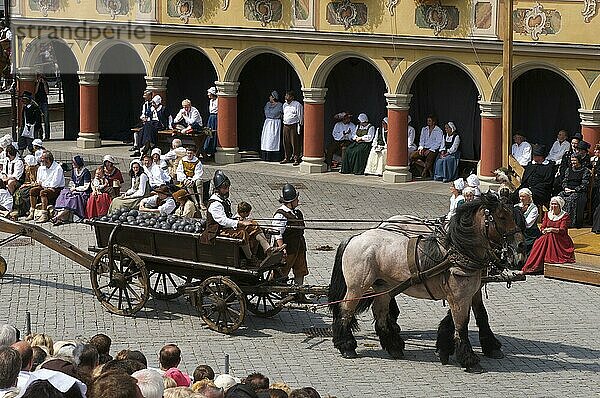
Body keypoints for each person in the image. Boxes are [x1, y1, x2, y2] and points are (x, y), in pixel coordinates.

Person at [200, 170, 279, 261]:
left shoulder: (223, 200)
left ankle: (268, 249)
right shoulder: (215, 204)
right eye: (224, 188)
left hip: (225, 227)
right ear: (218, 189)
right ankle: (250, 258)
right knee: (242, 233)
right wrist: (239, 223)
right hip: (216, 230)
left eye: (227, 188)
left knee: (253, 224)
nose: (227, 190)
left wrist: (240, 220)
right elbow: (223, 221)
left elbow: (228, 217)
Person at [272, 183, 310, 303]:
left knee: (300, 269)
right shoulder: (281, 215)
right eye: (296, 199)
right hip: (287, 249)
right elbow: (277, 233)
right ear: (291, 201)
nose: (298, 200)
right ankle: (282, 293)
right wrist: (281, 248)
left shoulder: (297, 213)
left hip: (299, 247)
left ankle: (299, 293)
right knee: (283, 271)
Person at [519, 196, 575, 274]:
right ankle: (529, 267)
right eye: (552, 204)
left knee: (550, 236)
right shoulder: (547, 214)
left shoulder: (564, 216)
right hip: (547, 236)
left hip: (560, 239)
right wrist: (544, 230)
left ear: (560, 205)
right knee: (538, 242)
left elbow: (562, 230)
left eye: (556, 204)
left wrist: (551, 229)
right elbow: (543, 226)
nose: (553, 206)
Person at [51, 155, 91, 225]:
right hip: (74, 189)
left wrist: (76, 189)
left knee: (72, 199)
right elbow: (72, 181)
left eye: (73, 163)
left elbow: (86, 186)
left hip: (83, 192)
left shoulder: (85, 172)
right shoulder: (74, 171)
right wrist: (72, 187)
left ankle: (57, 217)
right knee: (63, 193)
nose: (72, 164)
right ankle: (60, 217)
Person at [27, 150, 65, 223]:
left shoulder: (58, 168)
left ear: (48, 159)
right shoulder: (41, 168)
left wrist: (45, 185)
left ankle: (44, 214)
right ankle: (32, 211)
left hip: (57, 189)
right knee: (33, 191)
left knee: (43, 192)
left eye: (43, 158)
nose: (41, 160)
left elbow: (55, 184)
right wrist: (45, 185)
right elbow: (39, 181)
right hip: (46, 187)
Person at [514, 144, 555, 209]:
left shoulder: (549, 167)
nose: (533, 157)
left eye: (535, 156)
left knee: (528, 195)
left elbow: (547, 183)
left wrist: (532, 189)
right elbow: (525, 180)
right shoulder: (530, 165)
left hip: (541, 191)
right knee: (515, 194)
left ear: (541, 157)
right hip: (527, 188)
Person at [559, 154, 591, 228]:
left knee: (570, 199)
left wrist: (574, 190)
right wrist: (565, 188)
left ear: (579, 161)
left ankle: (570, 222)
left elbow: (584, 184)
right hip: (568, 190)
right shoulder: (568, 169)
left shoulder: (585, 170)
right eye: (572, 160)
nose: (573, 162)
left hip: (579, 191)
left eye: (574, 160)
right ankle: (560, 221)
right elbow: (565, 181)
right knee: (559, 198)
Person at [9, 155, 38, 219]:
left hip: (35, 186)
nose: (25, 165)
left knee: (23, 192)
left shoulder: (34, 169)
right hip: (28, 185)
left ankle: (27, 210)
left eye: (26, 163)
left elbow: (36, 182)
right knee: (18, 192)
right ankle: (20, 210)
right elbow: (27, 180)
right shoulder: (27, 169)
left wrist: (26, 185)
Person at [515, 188, 541, 255]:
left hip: (529, 234)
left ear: (529, 197)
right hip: (517, 231)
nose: (521, 198)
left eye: (523, 196)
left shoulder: (534, 208)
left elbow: (528, 224)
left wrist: (519, 215)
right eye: (520, 196)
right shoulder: (516, 206)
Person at [280, 91, 303, 166]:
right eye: (286, 95)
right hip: (286, 125)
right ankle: (287, 157)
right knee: (286, 142)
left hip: (294, 125)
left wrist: (300, 125)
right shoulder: (284, 105)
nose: (286, 97)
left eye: (288, 96)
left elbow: (300, 115)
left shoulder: (297, 104)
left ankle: (296, 158)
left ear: (292, 97)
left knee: (295, 142)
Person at [260, 91, 283, 162]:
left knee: (273, 139)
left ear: (273, 97)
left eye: (270, 96)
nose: (269, 97)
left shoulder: (280, 105)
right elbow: (266, 112)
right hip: (268, 123)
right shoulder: (268, 104)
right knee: (266, 139)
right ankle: (266, 155)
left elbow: (277, 113)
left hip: (275, 123)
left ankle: (274, 156)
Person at [34, 73, 50, 140]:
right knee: (38, 120)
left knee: (46, 120)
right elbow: (35, 92)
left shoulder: (45, 83)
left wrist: (44, 84)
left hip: (44, 102)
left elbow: (47, 92)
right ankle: (40, 135)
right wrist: (38, 83)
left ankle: (47, 136)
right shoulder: (35, 83)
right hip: (38, 103)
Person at [204, 87, 218, 158]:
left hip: (215, 118)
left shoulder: (218, 100)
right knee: (209, 133)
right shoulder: (211, 101)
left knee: (214, 133)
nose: (208, 94)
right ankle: (208, 150)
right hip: (211, 117)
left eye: (209, 93)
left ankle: (213, 150)